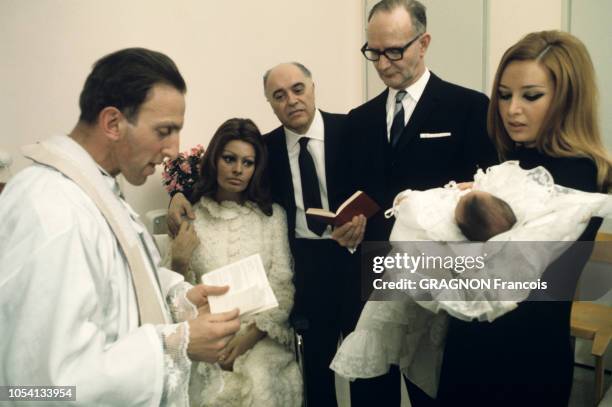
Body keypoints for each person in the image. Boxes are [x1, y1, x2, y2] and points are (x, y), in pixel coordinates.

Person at [0, 48, 241, 406]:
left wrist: (180, 298)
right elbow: (44, 387)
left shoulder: (98, 189)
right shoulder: (52, 208)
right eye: (164, 131)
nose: (174, 151)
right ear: (112, 123)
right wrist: (175, 345)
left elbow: (120, 280)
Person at [168, 63, 366, 406]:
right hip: (306, 265)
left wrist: (366, 221)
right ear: (270, 104)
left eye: (298, 89)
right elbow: (215, 164)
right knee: (318, 375)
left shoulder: (352, 129)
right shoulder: (267, 147)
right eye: (279, 96)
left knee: (368, 364)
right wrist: (177, 195)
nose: (291, 100)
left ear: (313, 87)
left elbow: (380, 179)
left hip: (355, 257)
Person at [437, 30, 612, 407]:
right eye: (504, 95)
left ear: (568, 98)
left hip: (523, 364)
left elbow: (506, 274)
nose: (512, 109)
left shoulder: (585, 176)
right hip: (471, 350)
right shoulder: (509, 165)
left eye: (531, 96)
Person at [344, 0, 498, 405]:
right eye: (373, 52)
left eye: (394, 50)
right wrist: (347, 227)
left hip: (438, 285)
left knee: (433, 392)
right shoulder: (358, 119)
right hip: (374, 276)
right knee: (371, 391)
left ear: (424, 42)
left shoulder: (469, 107)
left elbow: (490, 197)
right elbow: (357, 195)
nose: (382, 63)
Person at [167, 118, 302, 406]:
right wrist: (178, 260)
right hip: (206, 334)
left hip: (261, 335)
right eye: (229, 159)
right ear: (215, 159)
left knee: (262, 385)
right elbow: (173, 294)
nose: (238, 170)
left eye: (248, 162)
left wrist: (249, 338)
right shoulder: (191, 216)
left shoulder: (272, 216)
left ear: (257, 168)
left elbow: (282, 285)